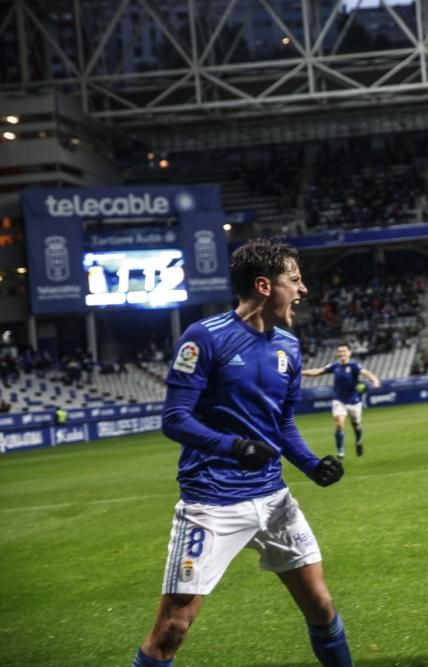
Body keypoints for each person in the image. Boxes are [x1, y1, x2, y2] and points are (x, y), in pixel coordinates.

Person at [131, 239, 352, 667]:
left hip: (274, 500)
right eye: (295, 280)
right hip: (211, 503)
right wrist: (233, 446)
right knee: (172, 629)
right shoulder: (204, 339)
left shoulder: (288, 346)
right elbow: (175, 418)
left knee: (321, 607)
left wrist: (310, 464)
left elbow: (282, 423)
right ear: (265, 286)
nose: (304, 290)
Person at [303, 343, 381, 459]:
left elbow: (366, 373)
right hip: (339, 400)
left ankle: (358, 441)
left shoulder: (354, 365)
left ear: (349, 352)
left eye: (344, 351)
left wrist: (374, 380)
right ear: (337, 353)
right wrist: (302, 372)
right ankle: (340, 453)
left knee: (356, 425)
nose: (342, 353)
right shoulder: (335, 366)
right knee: (339, 424)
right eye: (339, 351)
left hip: (354, 400)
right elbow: (318, 371)